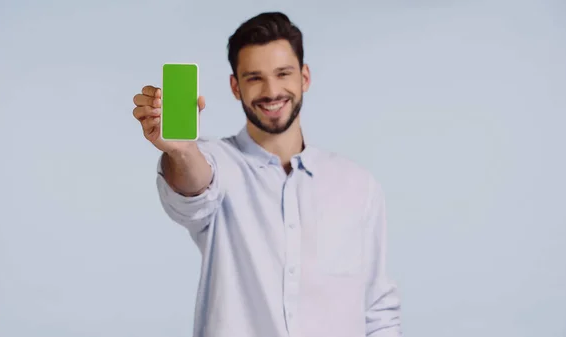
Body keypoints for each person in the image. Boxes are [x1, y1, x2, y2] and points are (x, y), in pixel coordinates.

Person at [132, 11, 402, 337]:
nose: (272, 91)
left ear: (305, 77)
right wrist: (182, 150)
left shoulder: (358, 185)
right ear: (235, 86)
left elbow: (377, 310)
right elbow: (195, 190)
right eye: (254, 77)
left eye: (283, 73)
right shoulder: (216, 161)